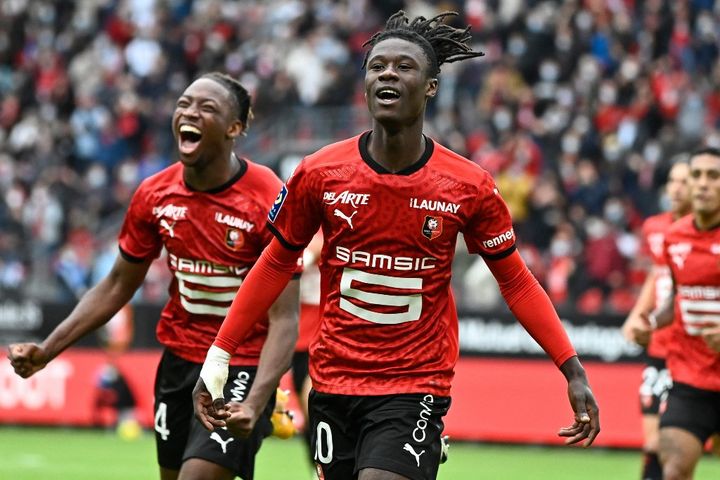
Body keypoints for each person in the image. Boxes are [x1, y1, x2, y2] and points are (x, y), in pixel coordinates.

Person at [193, 11, 600, 480]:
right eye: (377, 66)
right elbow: (273, 266)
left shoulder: (467, 185)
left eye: (404, 67)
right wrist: (220, 353)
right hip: (334, 381)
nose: (387, 73)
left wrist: (571, 369)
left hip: (415, 383)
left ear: (430, 86)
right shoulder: (320, 172)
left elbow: (517, 282)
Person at [7, 72, 300, 480]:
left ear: (235, 128)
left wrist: (256, 398)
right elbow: (116, 285)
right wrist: (47, 350)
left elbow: (285, 318)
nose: (189, 112)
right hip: (178, 361)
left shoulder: (267, 195)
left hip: (240, 363)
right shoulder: (154, 194)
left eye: (207, 107)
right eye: (184, 104)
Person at [642, 147, 720, 480]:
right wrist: (650, 320)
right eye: (696, 176)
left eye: (713, 176)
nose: (702, 184)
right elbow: (676, 294)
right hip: (691, 377)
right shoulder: (674, 237)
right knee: (671, 471)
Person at [621, 159, 691, 480]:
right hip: (659, 349)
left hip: (692, 352)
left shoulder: (706, 236)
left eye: (684, 182)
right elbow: (656, 274)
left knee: (679, 452)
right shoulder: (655, 228)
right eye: (672, 181)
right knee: (653, 444)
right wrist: (637, 315)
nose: (676, 189)